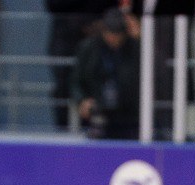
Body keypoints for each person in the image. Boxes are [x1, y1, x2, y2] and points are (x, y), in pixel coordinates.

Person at [45, 0, 118, 130]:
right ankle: (64, 130)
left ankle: (99, 128)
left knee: (100, 81)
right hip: (65, 38)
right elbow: (54, 5)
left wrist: (98, 22)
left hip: (98, 34)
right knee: (63, 87)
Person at [72, 7, 141, 140]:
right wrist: (82, 100)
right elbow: (75, 80)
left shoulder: (134, 48)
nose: (113, 39)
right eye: (110, 34)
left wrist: (139, 39)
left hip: (128, 115)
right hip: (97, 111)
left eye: (118, 35)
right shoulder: (88, 48)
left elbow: (155, 72)